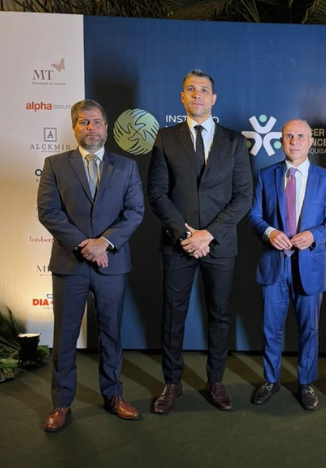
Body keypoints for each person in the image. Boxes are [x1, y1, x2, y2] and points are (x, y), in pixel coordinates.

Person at [148, 70, 253, 413]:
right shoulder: (165, 138)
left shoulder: (234, 142)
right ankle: (172, 383)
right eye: (191, 89)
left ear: (213, 98)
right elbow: (157, 193)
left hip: (219, 244)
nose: (197, 94)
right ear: (182, 97)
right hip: (177, 243)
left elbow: (243, 197)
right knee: (172, 314)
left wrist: (208, 234)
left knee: (219, 315)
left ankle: (216, 381)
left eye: (204, 90)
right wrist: (185, 235)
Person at [37, 99, 144, 432]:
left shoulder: (126, 167)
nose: (91, 128)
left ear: (106, 128)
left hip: (112, 263)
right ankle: (61, 403)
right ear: (74, 128)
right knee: (65, 335)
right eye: (84, 122)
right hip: (70, 263)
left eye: (97, 122)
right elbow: (48, 212)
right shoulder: (55, 164)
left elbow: (134, 212)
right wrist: (86, 245)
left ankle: (114, 396)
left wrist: (104, 243)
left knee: (111, 333)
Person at [249, 119, 326, 411]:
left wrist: (312, 235)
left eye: (301, 136)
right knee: (270, 328)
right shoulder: (265, 175)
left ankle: (306, 383)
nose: (295, 141)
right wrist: (269, 232)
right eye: (289, 136)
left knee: (309, 329)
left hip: (308, 265)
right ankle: (271, 380)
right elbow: (254, 216)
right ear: (281, 141)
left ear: (311, 142)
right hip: (274, 264)